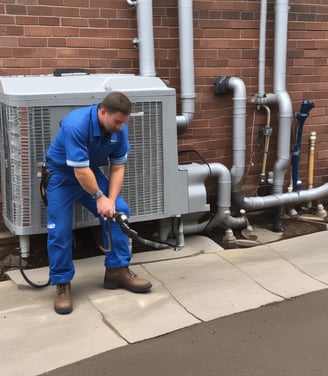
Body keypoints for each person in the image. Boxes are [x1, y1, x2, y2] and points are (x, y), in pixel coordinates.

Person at [44, 91, 152, 315]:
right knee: (60, 230)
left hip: (90, 174)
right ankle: (62, 283)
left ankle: (117, 270)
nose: (121, 127)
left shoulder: (118, 128)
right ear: (103, 112)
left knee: (119, 211)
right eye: (117, 122)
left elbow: (118, 167)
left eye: (124, 122)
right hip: (62, 177)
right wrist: (99, 198)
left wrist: (110, 201)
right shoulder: (76, 125)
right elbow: (79, 171)